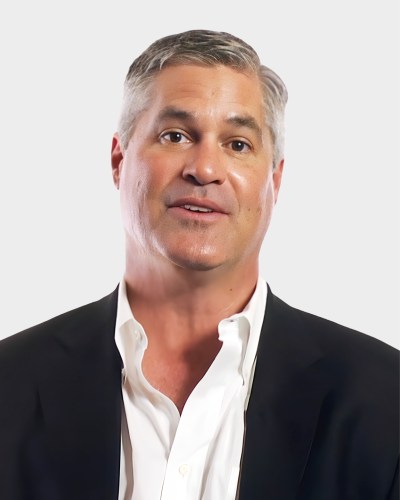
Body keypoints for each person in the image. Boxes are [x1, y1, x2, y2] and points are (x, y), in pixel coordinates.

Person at [0, 29, 398, 500]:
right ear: (118, 159)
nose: (204, 168)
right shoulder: (11, 387)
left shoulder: (385, 401)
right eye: (175, 135)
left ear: (275, 179)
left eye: (238, 144)